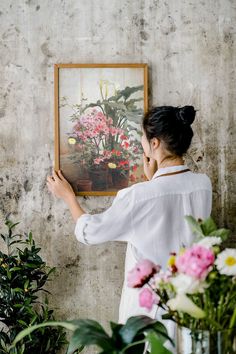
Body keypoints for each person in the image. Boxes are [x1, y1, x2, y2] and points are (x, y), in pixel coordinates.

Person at [47, 105, 212, 352]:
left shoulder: (138, 196)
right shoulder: (203, 185)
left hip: (150, 317)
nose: (141, 143)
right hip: (194, 312)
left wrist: (69, 197)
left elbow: (90, 231)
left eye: (143, 138)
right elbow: (172, 215)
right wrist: (152, 180)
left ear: (154, 143)